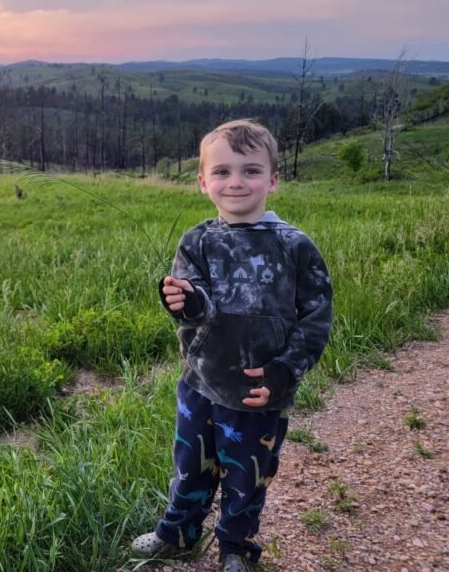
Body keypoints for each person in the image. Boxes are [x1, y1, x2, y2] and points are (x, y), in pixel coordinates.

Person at [130, 119, 333, 572]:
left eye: (250, 170)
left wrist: (283, 373)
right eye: (221, 171)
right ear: (203, 182)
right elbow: (196, 303)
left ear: (274, 180)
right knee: (189, 466)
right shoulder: (196, 242)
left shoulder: (296, 247)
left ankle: (237, 548)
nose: (236, 182)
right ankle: (177, 531)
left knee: (247, 477)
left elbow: (316, 319)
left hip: (259, 392)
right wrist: (184, 302)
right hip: (200, 383)